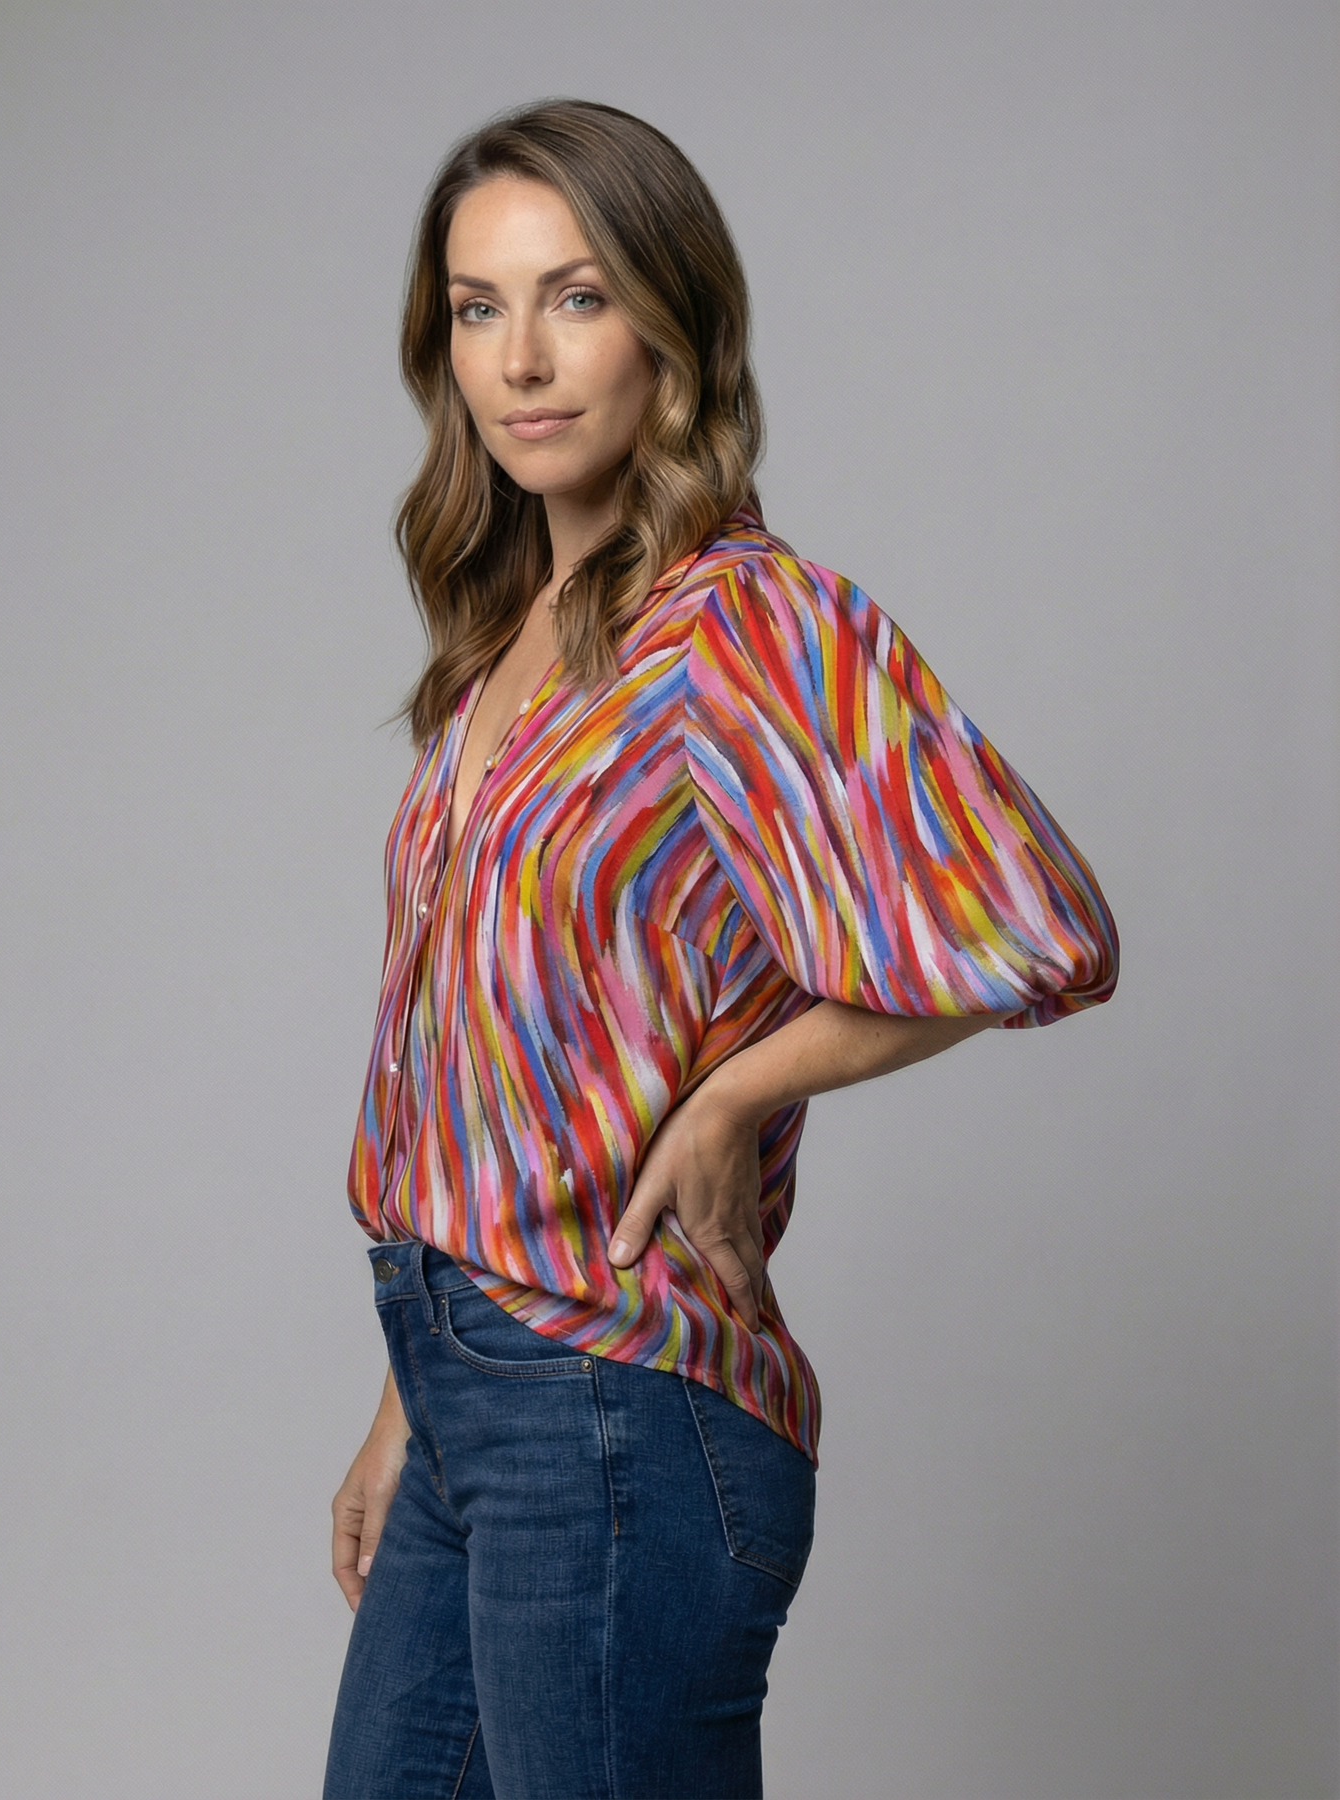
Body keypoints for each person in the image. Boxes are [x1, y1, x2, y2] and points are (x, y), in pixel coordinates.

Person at [323, 99, 1118, 1800]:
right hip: (469, 1384)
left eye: (577, 297)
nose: (522, 360)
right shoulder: (501, 640)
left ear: (671, 327)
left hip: (615, 1413)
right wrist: (406, 1404)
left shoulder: (742, 620)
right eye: (477, 308)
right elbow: (485, 1068)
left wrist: (733, 1095)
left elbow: (1032, 922)